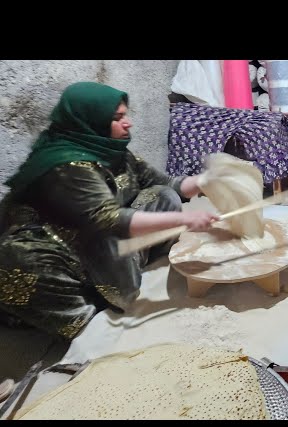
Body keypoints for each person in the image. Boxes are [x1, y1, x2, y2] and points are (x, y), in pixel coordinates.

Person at [0, 82, 218, 340]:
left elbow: (165, 183)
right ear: (91, 121)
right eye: (118, 118)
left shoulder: (110, 150)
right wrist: (186, 219)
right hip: (55, 248)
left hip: (97, 233)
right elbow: (107, 219)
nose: (128, 123)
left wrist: (207, 181)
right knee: (29, 261)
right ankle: (87, 317)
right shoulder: (66, 166)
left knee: (163, 196)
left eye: (125, 114)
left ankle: (124, 271)